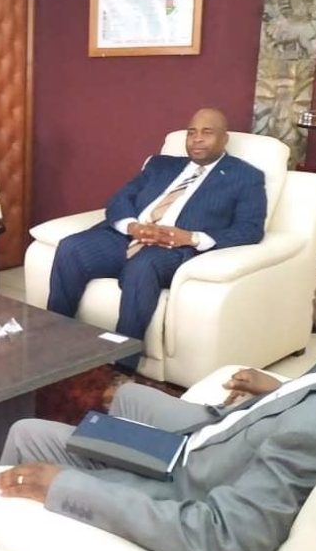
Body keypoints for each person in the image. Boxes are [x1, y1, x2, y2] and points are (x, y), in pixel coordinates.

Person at [0, 214, 316, 551]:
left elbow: (225, 539)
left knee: (28, 436)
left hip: (180, 486)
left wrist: (67, 487)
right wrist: (284, 392)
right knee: (63, 422)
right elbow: (313, 404)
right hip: (202, 448)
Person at [47, 108, 266, 370]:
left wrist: (192, 238)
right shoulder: (160, 164)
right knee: (71, 247)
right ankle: (53, 343)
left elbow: (250, 229)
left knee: (142, 267)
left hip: (171, 249)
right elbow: (121, 198)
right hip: (128, 236)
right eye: (191, 132)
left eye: (207, 132)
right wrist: (132, 226)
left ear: (224, 138)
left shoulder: (245, 177)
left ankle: (122, 367)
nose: (197, 139)